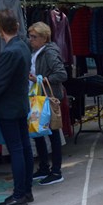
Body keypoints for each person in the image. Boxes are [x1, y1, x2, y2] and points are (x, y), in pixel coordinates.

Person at [0, 9, 33, 205]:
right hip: (20, 103)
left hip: (8, 107)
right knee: (23, 147)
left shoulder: (10, 52)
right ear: (18, 26)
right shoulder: (22, 46)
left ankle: (19, 193)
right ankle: (26, 191)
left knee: (16, 149)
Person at [28, 22, 68, 186]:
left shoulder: (49, 52)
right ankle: (44, 167)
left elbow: (61, 73)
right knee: (38, 132)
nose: (31, 40)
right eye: (30, 36)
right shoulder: (38, 51)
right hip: (38, 97)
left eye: (34, 37)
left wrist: (40, 79)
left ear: (44, 37)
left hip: (48, 98)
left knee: (52, 132)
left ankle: (56, 170)